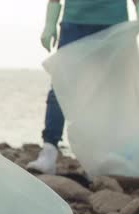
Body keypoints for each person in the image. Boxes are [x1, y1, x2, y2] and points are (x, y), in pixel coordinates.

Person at [28, 0, 139, 174]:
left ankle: (114, 154)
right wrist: (50, 23)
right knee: (60, 86)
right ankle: (49, 152)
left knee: (116, 91)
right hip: (75, 24)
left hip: (114, 23)